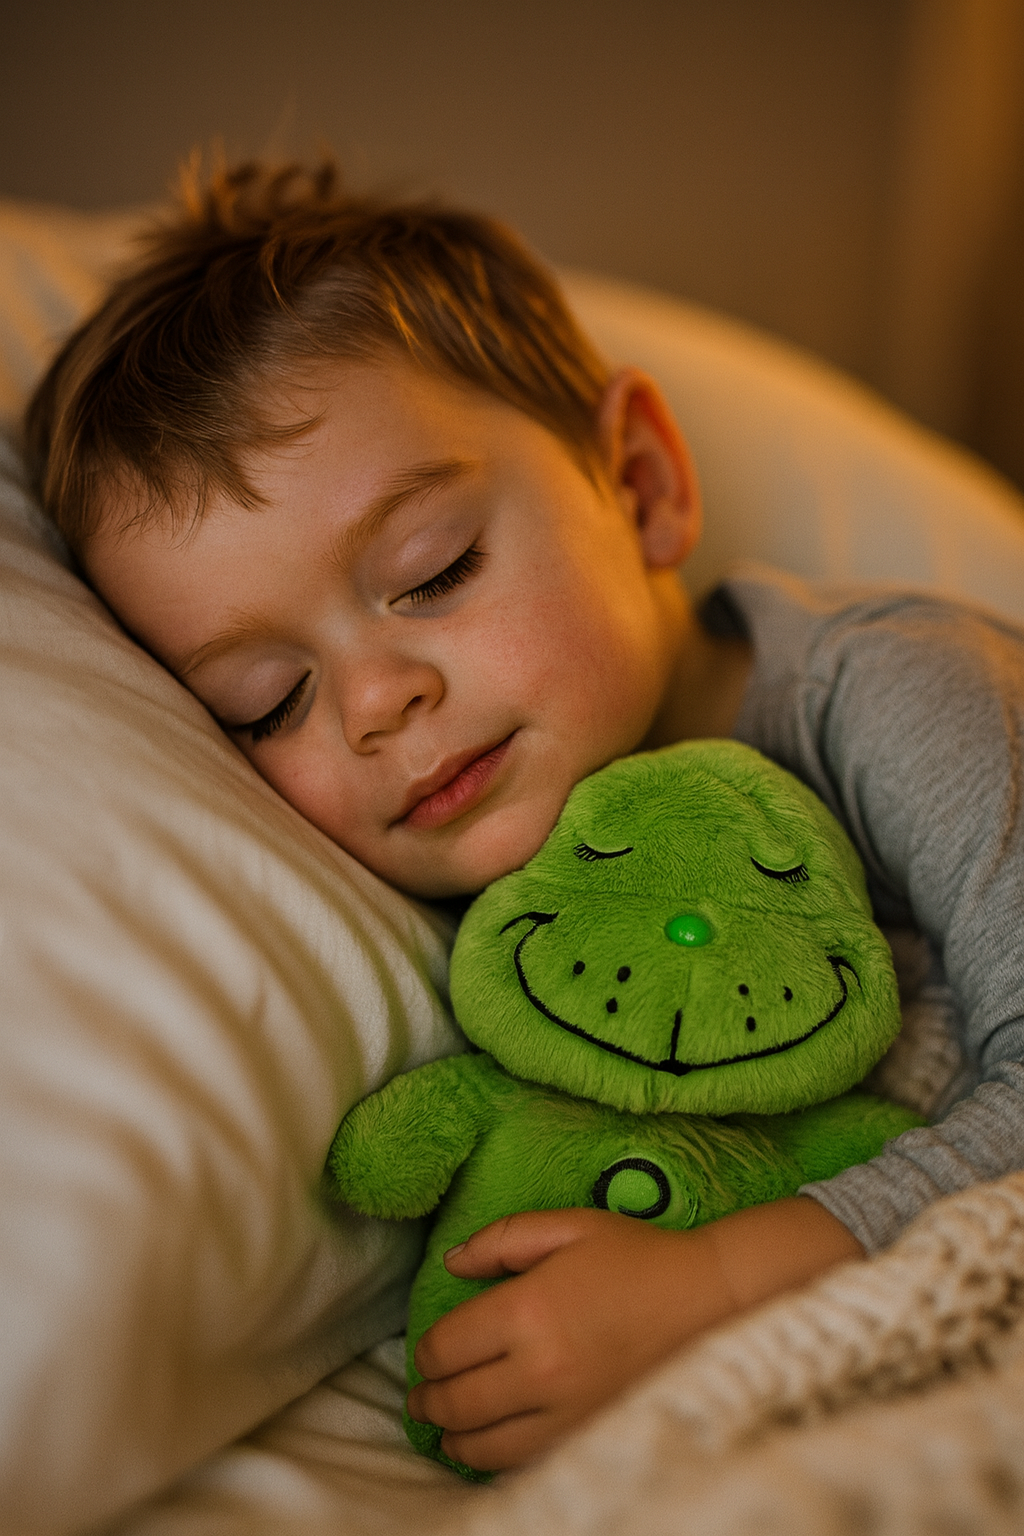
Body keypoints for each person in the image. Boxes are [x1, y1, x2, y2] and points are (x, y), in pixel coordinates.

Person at [23, 158, 1024, 1475]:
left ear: (644, 482)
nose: (377, 705)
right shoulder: (500, 909)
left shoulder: (890, 693)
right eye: (268, 702)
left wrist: (723, 1283)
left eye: (432, 573)